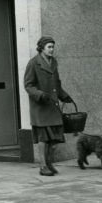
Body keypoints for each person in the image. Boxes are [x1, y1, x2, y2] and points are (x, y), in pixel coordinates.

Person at [23, 35, 75, 177]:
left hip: (52, 106)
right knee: (43, 138)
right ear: (41, 48)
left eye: (53, 47)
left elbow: (57, 84)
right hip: (40, 107)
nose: (52, 50)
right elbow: (28, 85)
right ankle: (43, 166)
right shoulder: (33, 63)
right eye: (49, 47)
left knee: (54, 138)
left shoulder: (53, 62)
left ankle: (49, 163)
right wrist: (39, 94)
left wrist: (64, 95)